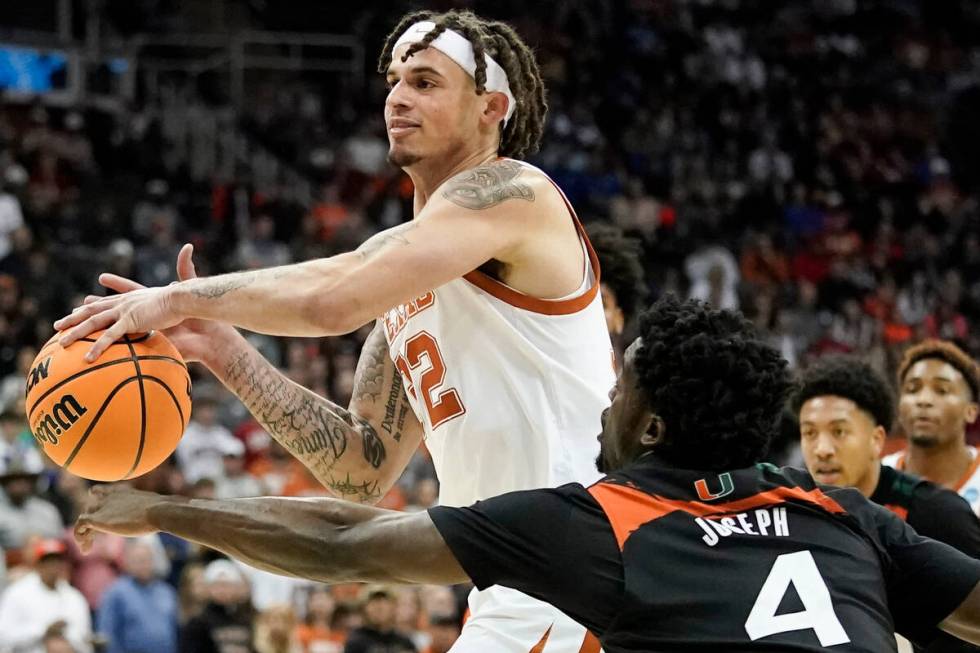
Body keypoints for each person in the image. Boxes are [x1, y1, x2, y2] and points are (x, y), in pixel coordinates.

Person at [57, 9, 613, 652]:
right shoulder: (406, 274)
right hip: (512, 585)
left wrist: (177, 299)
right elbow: (361, 470)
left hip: (576, 577)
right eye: (394, 82)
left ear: (491, 107)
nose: (398, 99)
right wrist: (227, 352)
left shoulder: (516, 191)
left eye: (427, 82)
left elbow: (332, 300)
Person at [75, 296, 980, 652]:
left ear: (654, 422)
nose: (604, 404)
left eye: (620, 387)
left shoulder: (607, 519)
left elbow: (345, 536)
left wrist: (161, 505)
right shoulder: (846, 514)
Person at [793, 356, 980, 652]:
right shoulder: (795, 512)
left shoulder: (940, 513)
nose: (822, 450)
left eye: (839, 431)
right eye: (809, 433)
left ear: (877, 439)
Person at [884, 340, 980, 512]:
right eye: (912, 390)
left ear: (971, 411)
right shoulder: (875, 479)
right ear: (899, 407)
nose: (924, 400)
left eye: (942, 390)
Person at [0, 539, 92, 653]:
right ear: (38, 564)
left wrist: (65, 639)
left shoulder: (74, 597)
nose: (53, 566)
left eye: (57, 561)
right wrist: (43, 630)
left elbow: (85, 639)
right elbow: (3, 637)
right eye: (48, 561)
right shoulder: (17, 593)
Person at [97, 539, 179, 653]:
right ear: (127, 563)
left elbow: (175, 631)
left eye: (146, 560)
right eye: (138, 561)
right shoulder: (116, 593)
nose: (143, 565)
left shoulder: (167, 592)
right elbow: (107, 634)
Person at [585, 222, 646, 363]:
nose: (589, 313)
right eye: (583, 304)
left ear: (619, 318)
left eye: (602, 304)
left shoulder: (633, 380)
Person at [179, 559, 255, 653]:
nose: (222, 590)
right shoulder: (198, 622)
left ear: (236, 586)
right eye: (217, 585)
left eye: (227, 585)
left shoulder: (249, 617)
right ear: (208, 588)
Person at [343, 586, 416, 653]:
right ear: (364, 608)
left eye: (384, 601)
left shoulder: (404, 641)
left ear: (394, 606)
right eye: (374, 602)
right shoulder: (356, 640)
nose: (379, 607)